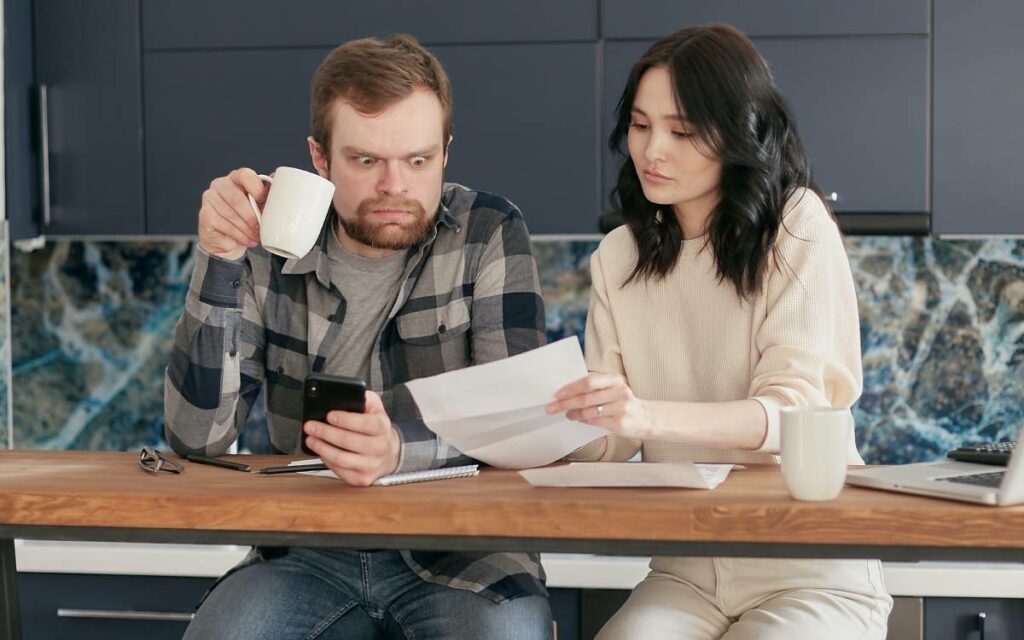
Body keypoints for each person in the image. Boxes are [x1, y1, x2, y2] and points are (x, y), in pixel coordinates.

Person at [164, 35, 552, 639]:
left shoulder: (488, 232)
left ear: (446, 152)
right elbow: (197, 438)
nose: (395, 185)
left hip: (466, 550)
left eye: (418, 160)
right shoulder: (268, 246)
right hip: (307, 549)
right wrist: (218, 261)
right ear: (320, 159)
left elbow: (520, 422)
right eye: (366, 161)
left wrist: (401, 450)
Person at [546, 24, 893, 640]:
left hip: (809, 565)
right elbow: (606, 443)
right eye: (640, 124)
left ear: (740, 134)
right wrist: (545, 420)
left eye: (682, 132)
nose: (652, 151)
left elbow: (794, 412)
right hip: (686, 569)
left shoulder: (798, 225)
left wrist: (645, 417)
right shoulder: (619, 256)